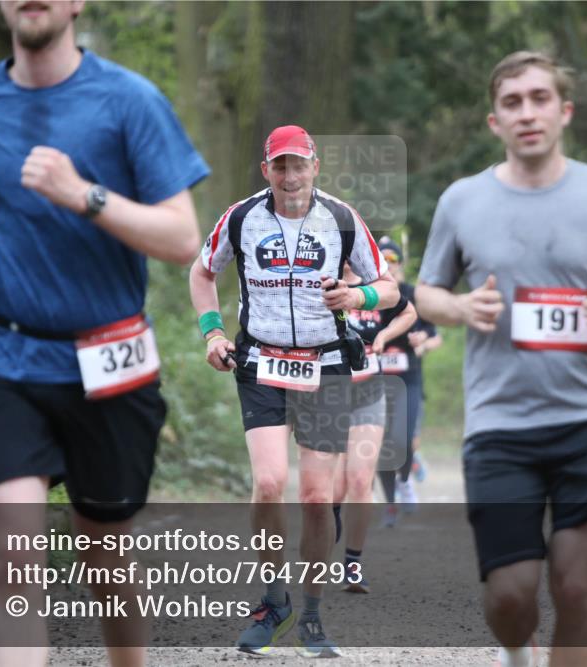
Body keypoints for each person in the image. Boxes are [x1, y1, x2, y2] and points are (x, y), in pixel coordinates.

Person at [0, 2, 209, 665]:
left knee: (105, 552)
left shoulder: (130, 101)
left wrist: (83, 193)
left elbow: (183, 237)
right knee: (15, 552)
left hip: (108, 360)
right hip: (0, 354)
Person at [415, 51, 587, 667]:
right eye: (512, 102)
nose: (527, 112)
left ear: (564, 111)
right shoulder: (461, 201)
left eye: (539, 98)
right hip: (502, 428)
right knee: (510, 598)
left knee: (576, 586)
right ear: (494, 121)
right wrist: (460, 308)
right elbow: (426, 292)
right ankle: (515, 649)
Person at [188, 125, 399, 657]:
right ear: (266, 171)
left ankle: (310, 612)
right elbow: (201, 271)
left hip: (325, 366)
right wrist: (212, 331)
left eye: (297, 164)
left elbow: (390, 288)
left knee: (314, 497)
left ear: (314, 167)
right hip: (260, 360)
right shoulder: (241, 218)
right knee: (268, 483)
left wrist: (357, 293)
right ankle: (272, 599)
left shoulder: (342, 219)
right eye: (279, 166)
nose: (289, 175)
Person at [332, 261, 418, 592]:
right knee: (333, 490)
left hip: (369, 391)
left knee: (359, 478)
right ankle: (327, 532)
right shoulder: (320, 282)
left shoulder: (375, 287)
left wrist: (384, 334)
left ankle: (352, 564)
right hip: (327, 393)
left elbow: (408, 312)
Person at [372, 238, 441, 523]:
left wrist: (422, 339)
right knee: (383, 444)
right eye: (382, 258)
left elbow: (433, 335)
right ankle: (390, 503)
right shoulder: (368, 294)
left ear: (399, 263)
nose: (388, 264)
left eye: (392, 259)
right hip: (375, 381)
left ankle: (405, 480)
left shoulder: (413, 295)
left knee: (404, 439)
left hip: (409, 379)